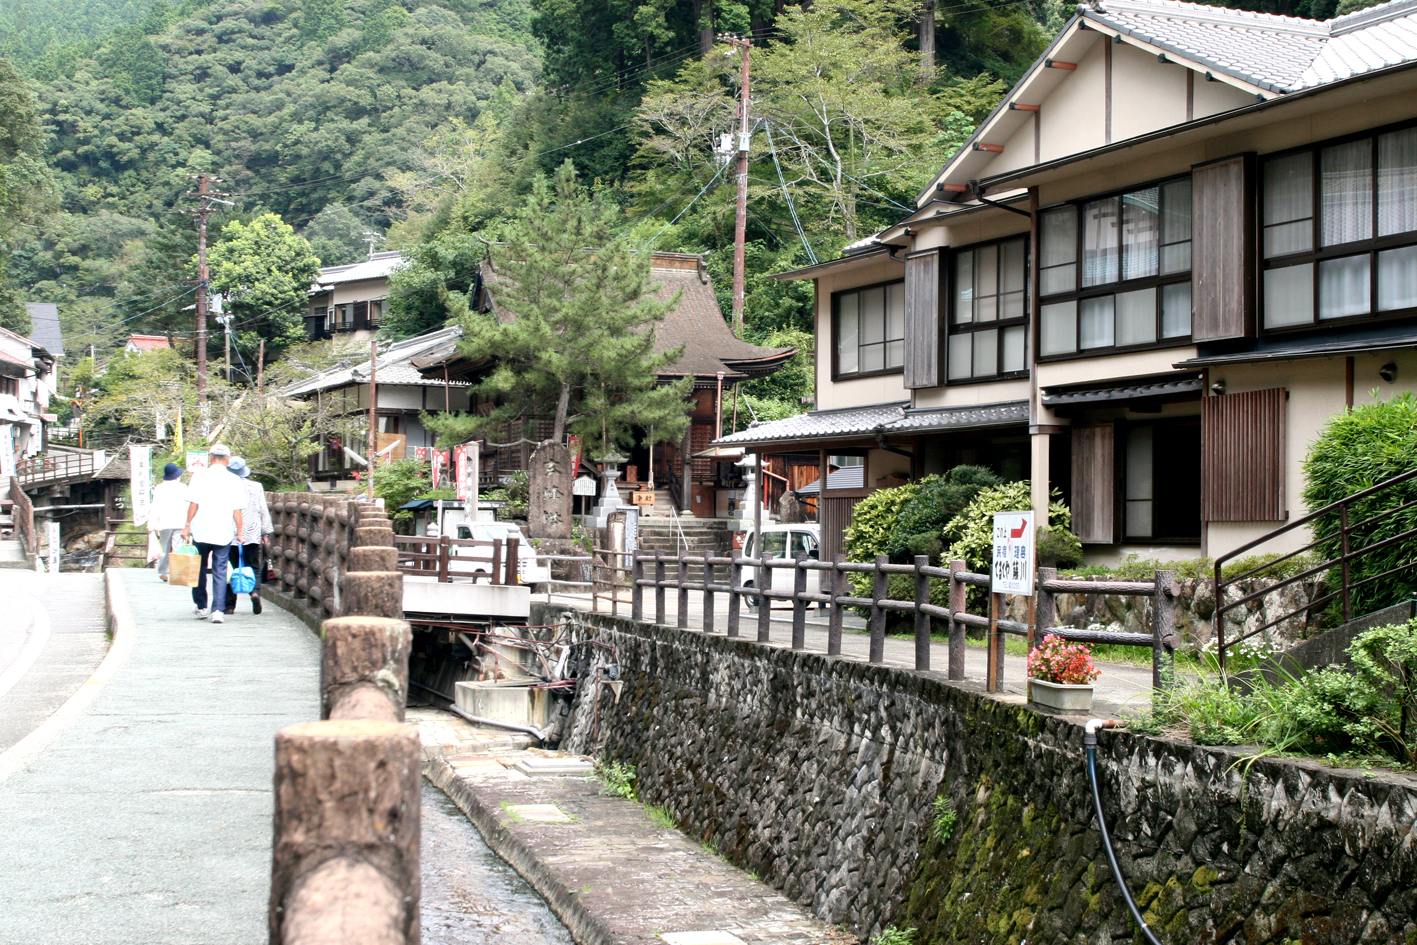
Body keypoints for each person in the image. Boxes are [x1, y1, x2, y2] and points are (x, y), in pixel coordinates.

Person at [180, 443, 245, 624]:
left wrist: (187, 526)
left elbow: (193, 504)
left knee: (198, 569)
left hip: (201, 530)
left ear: (210, 459)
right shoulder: (234, 480)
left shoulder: (199, 476)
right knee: (220, 570)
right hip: (223, 531)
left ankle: (201, 606)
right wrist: (240, 532)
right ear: (228, 460)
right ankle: (218, 610)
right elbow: (237, 510)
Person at [223, 456, 273, 615]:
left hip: (229, 533)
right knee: (253, 566)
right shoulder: (256, 486)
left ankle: (229, 605)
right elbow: (262, 510)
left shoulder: (224, 486)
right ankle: (254, 592)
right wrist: (265, 532)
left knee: (230, 568)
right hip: (252, 531)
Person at [147, 462, 189, 581]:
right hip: (180, 521)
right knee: (178, 547)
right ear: (176, 476)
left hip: (164, 522)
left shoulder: (159, 488)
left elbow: (155, 507)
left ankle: (163, 571)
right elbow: (188, 506)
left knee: (165, 548)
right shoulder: (183, 487)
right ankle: (177, 572)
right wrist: (189, 523)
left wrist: (151, 525)